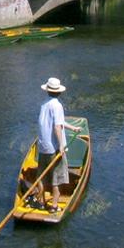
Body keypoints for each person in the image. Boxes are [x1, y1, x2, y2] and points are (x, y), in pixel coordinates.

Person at [35, 77, 81, 213]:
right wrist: (61, 145)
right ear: (59, 92)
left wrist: (72, 128)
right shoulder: (58, 105)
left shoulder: (44, 104)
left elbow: (57, 122)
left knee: (41, 176)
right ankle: (54, 206)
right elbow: (56, 126)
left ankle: (40, 202)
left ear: (48, 91)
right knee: (57, 178)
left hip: (43, 146)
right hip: (54, 148)